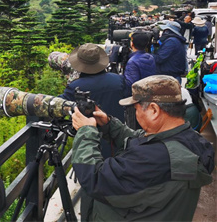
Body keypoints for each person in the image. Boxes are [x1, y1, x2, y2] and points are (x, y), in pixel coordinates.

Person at [71, 75, 215, 222]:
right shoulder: (192, 139)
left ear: (154, 110)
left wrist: (86, 131)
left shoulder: (152, 159)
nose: (136, 114)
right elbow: (140, 140)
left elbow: (95, 178)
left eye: (136, 109)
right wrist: (109, 124)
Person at [59, 43, 127, 158]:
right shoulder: (118, 80)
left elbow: (60, 104)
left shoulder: (75, 87)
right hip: (117, 135)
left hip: (89, 139)